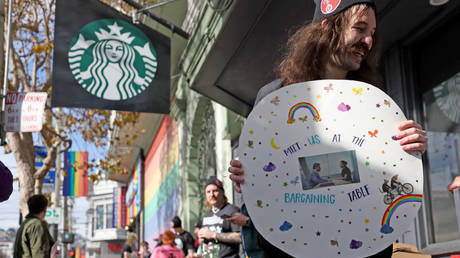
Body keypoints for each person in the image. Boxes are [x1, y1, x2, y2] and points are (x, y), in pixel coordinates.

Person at [228, 0, 428, 257]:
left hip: (362, 246)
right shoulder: (276, 98)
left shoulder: (373, 102)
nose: (368, 41)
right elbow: (268, 181)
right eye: (360, 28)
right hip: (294, 247)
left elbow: (388, 173)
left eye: (372, 34)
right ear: (327, 27)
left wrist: (413, 148)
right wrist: (247, 174)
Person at [194, 176, 241, 258]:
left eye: (215, 191)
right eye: (208, 192)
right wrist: (201, 240)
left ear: (222, 192)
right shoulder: (206, 215)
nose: (211, 195)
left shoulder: (232, 210)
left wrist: (213, 234)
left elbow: (240, 237)